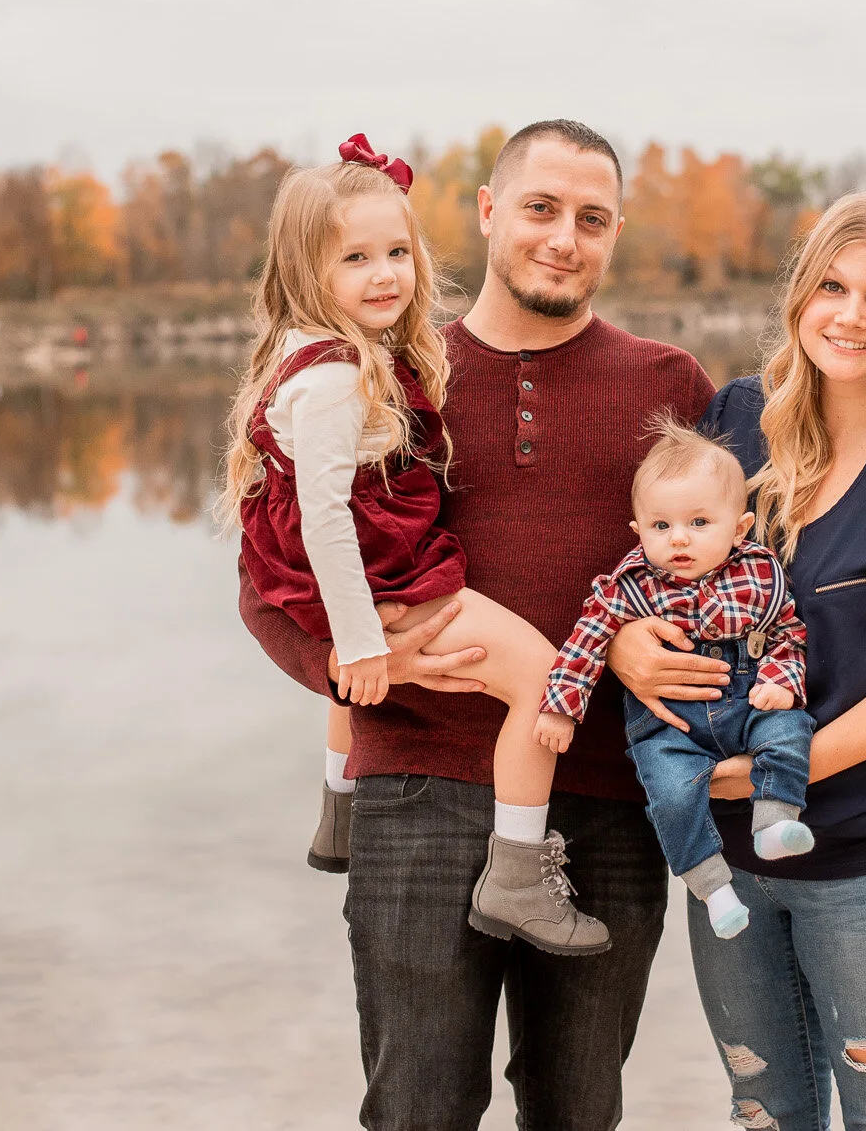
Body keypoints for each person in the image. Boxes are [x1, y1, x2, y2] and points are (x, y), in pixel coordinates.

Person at [237, 120, 717, 1130]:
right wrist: (343, 663)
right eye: (539, 208)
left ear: (614, 232)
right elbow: (265, 565)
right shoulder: (389, 371)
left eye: (591, 218)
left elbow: (734, 564)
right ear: (490, 213)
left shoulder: (668, 384)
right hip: (415, 788)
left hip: (606, 797)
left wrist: (643, 639)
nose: (563, 237)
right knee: (418, 1105)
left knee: (577, 1108)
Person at [605, 192, 866, 1131]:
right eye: (832, 286)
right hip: (731, 853)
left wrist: (781, 771)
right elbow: (660, 560)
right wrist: (627, 645)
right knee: (763, 1111)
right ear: (800, 296)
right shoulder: (739, 419)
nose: (851, 314)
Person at [221, 133, 608, 954]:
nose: (387, 274)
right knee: (544, 675)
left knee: (357, 654)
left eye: (397, 251)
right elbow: (327, 518)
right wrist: (358, 644)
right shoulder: (333, 378)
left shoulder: (340, 356)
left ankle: (338, 810)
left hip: (344, 560)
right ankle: (517, 875)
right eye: (356, 258)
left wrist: (348, 639)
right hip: (372, 560)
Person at [534, 420, 816, 941]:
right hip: (668, 723)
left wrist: (780, 681)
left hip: (749, 698)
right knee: (670, 793)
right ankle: (713, 889)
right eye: (661, 526)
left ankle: (774, 824)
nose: (679, 538)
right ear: (638, 531)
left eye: (700, 522)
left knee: (790, 731)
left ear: (740, 527)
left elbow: (787, 635)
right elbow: (585, 643)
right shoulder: (629, 586)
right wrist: (560, 706)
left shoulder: (759, 573)